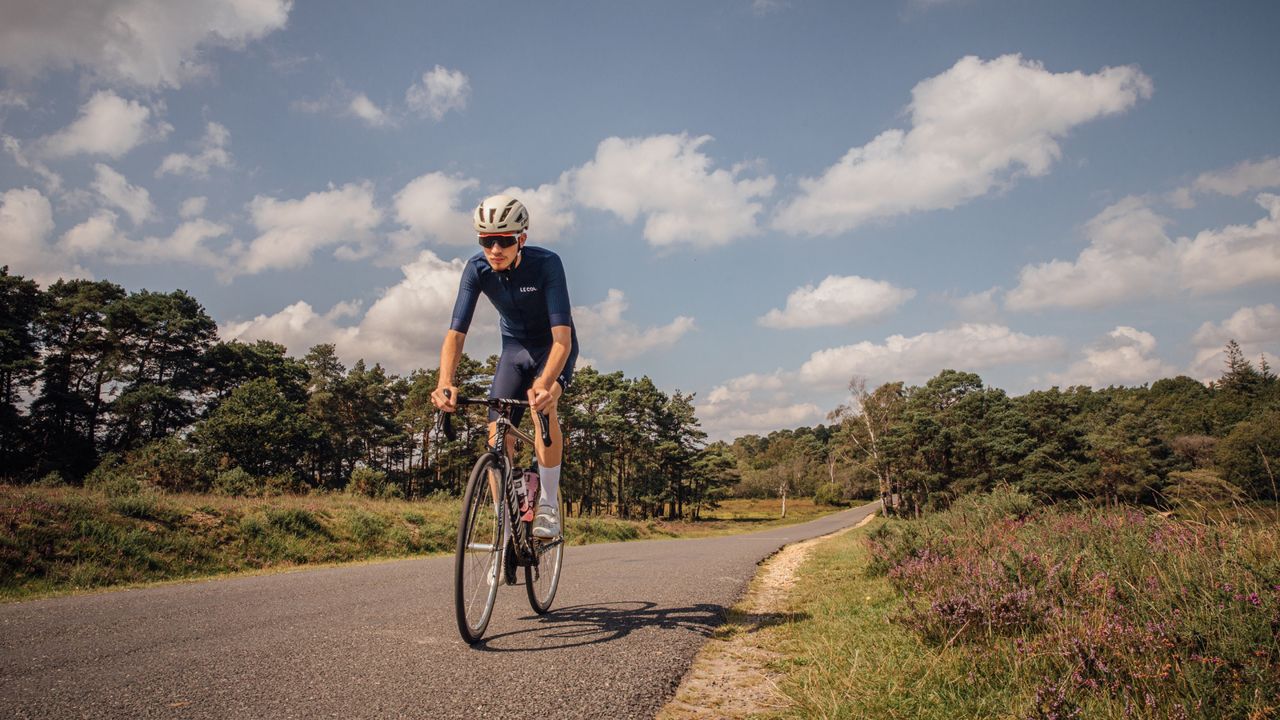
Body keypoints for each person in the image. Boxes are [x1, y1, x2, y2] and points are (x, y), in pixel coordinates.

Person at [431, 194, 578, 539]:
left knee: (544, 408)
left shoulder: (547, 264)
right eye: (487, 240)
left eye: (505, 240)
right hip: (513, 350)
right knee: (497, 432)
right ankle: (505, 521)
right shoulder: (476, 270)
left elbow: (563, 340)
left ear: (521, 239)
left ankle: (547, 503)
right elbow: (455, 334)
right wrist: (445, 382)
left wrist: (545, 384)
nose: (495, 249)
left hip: (553, 348)